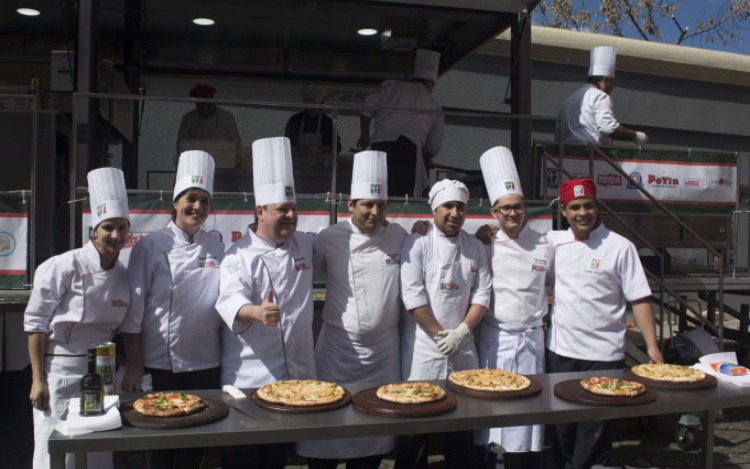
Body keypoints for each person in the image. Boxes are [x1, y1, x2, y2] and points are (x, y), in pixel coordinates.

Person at [296, 150, 407, 469]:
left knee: (372, 438)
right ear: (350, 205)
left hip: (383, 354)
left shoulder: (400, 237)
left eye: (381, 205)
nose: (374, 212)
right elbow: (300, 273)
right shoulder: (329, 239)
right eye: (367, 205)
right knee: (326, 431)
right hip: (337, 352)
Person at [546, 178, 664, 469]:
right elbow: (512, 241)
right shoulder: (553, 243)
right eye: (574, 207)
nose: (582, 212)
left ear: (597, 207)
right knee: (562, 428)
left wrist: (653, 347)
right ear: (564, 210)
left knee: (595, 431)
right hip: (561, 352)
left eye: (588, 205)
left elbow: (639, 299)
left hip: (603, 356)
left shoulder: (620, 247)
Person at [119, 150, 224, 468]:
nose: (198, 207)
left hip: (206, 362)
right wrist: (135, 364)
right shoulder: (149, 247)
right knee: (160, 446)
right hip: (160, 364)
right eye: (192, 199)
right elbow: (133, 311)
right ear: (176, 202)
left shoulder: (216, 245)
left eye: (204, 201)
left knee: (194, 446)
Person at [216, 136, 315, 469]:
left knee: (276, 458)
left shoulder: (304, 244)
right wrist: (256, 312)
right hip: (250, 380)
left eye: (293, 209)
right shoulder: (237, 257)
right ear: (260, 211)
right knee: (243, 459)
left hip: (295, 381)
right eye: (281, 210)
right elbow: (229, 301)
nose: (289, 216)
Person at [25, 167, 131, 469]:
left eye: (122, 228)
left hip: (103, 372)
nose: (115, 235)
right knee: (55, 450)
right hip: (60, 370)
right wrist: (37, 380)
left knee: (99, 449)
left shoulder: (124, 274)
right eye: (108, 227)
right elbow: (35, 324)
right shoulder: (62, 265)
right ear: (93, 231)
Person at [397, 179, 491, 469]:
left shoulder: (475, 246)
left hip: (463, 349)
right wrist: (441, 336)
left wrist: (462, 332)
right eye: (448, 206)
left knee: (462, 426)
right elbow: (412, 296)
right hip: (424, 352)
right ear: (435, 209)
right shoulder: (417, 243)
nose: (454, 213)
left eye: (460, 207)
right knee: (416, 426)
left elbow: (482, 293)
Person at [474, 147, 553, 469]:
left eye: (517, 207)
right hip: (498, 337)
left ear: (525, 209)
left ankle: (524, 462)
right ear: (494, 211)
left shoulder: (545, 243)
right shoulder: (484, 243)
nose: (512, 214)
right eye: (505, 209)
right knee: (492, 410)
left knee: (527, 412)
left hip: (532, 339)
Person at [358, 49, 446, 198]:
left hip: (380, 145)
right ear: (430, 82)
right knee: (404, 197)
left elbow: (366, 109)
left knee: (376, 193)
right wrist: (426, 156)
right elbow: (435, 145)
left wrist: (364, 135)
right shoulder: (433, 103)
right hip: (409, 150)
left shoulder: (391, 86)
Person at [558, 46, 649, 147]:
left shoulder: (571, 98)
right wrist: (636, 136)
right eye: (612, 83)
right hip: (588, 155)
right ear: (606, 81)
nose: (612, 88)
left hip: (565, 153)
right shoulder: (600, 96)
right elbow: (608, 127)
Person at [177, 84, 241, 165]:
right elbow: (182, 146)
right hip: (197, 164)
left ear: (212, 103)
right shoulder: (188, 119)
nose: (204, 111)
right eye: (201, 107)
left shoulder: (226, 117)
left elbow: (236, 145)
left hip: (223, 166)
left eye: (207, 107)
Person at [284, 85, 341, 159]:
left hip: (321, 166)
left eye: (313, 102)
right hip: (298, 165)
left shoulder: (327, 122)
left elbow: (337, 147)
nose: (310, 106)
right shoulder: (295, 120)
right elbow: (286, 144)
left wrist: (319, 149)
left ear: (321, 103)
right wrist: (298, 150)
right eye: (307, 102)